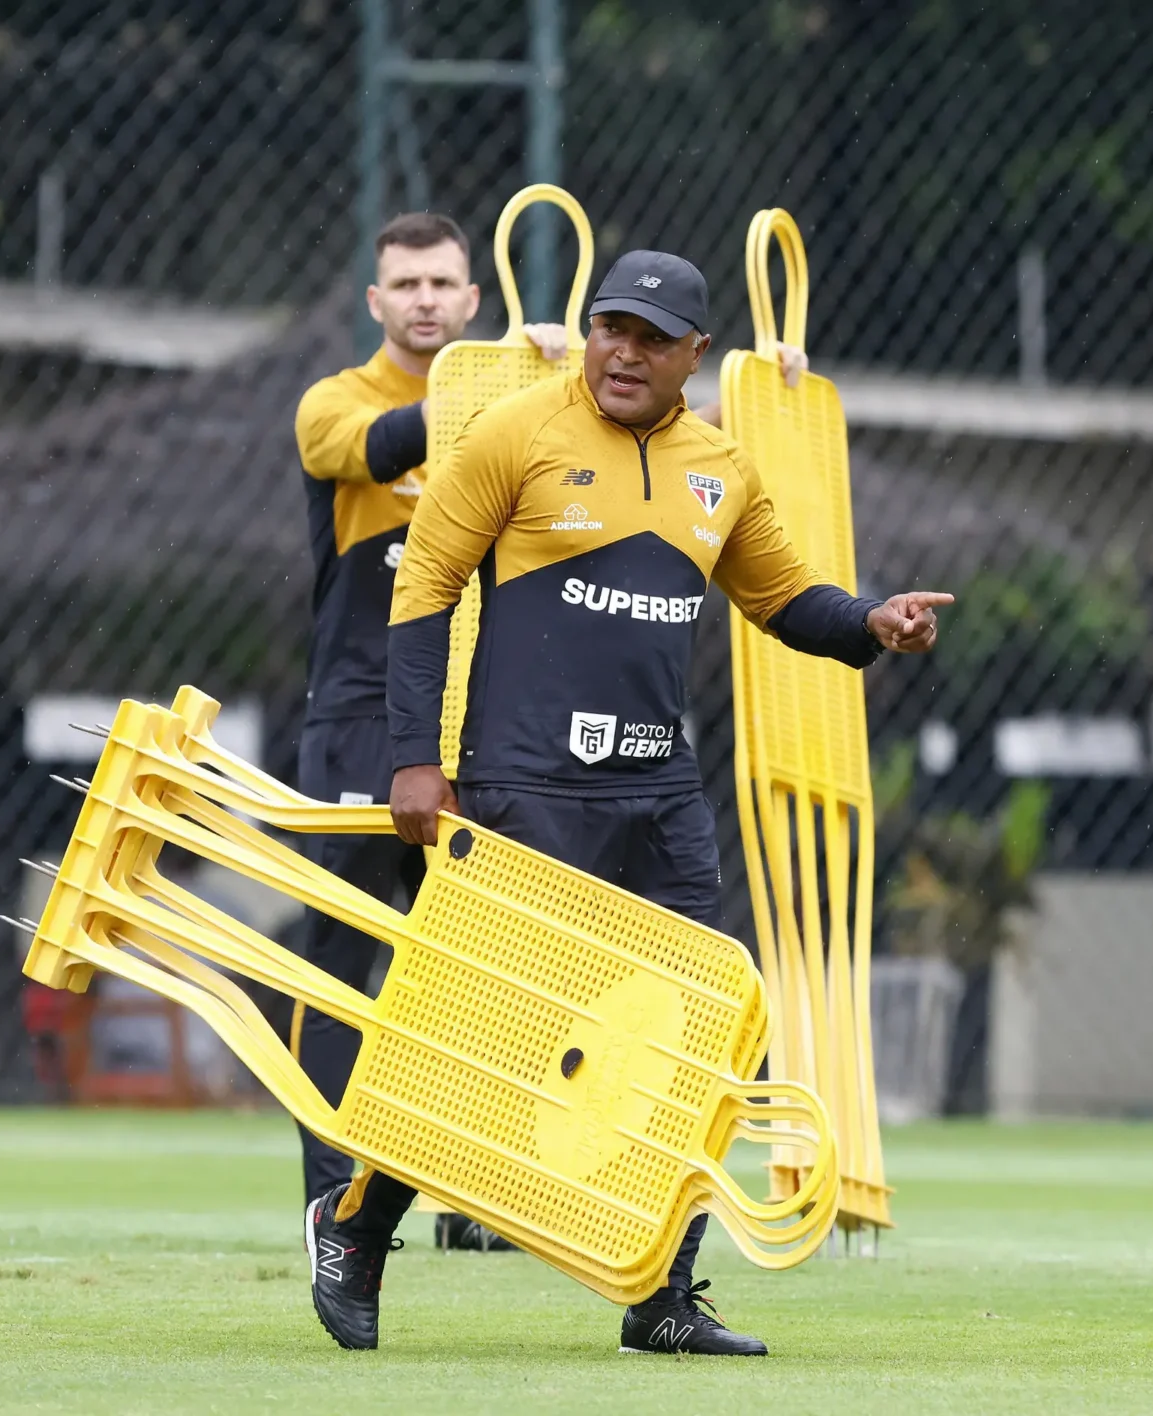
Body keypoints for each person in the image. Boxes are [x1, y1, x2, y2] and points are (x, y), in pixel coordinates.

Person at [303, 248, 952, 1353]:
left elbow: (782, 597)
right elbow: (427, 584)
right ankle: (358, 1228)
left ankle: (662, 1296)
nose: (624, 353)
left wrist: (869, 625)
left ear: (696, 355)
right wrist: (417, 758)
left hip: (657, 792)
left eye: (653, 339)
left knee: (693, 1038)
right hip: (525, 784)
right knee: (492, 1034)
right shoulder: (516, 431)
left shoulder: (721, 466)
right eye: (611, 328)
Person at [292, 211, 569, 1252]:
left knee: (483, 966)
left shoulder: (518, 403)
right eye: (404, 284)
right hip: (361, 719)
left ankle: (472, 1196)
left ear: (472, 298)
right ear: (376, 300)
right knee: (339, 956)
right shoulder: (336, 403)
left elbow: (652, 429)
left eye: (441, 283)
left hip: (479, 721)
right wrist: (510, 383)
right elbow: (377, 448)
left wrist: (763, 388)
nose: (423, 299)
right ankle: (333, 1203)